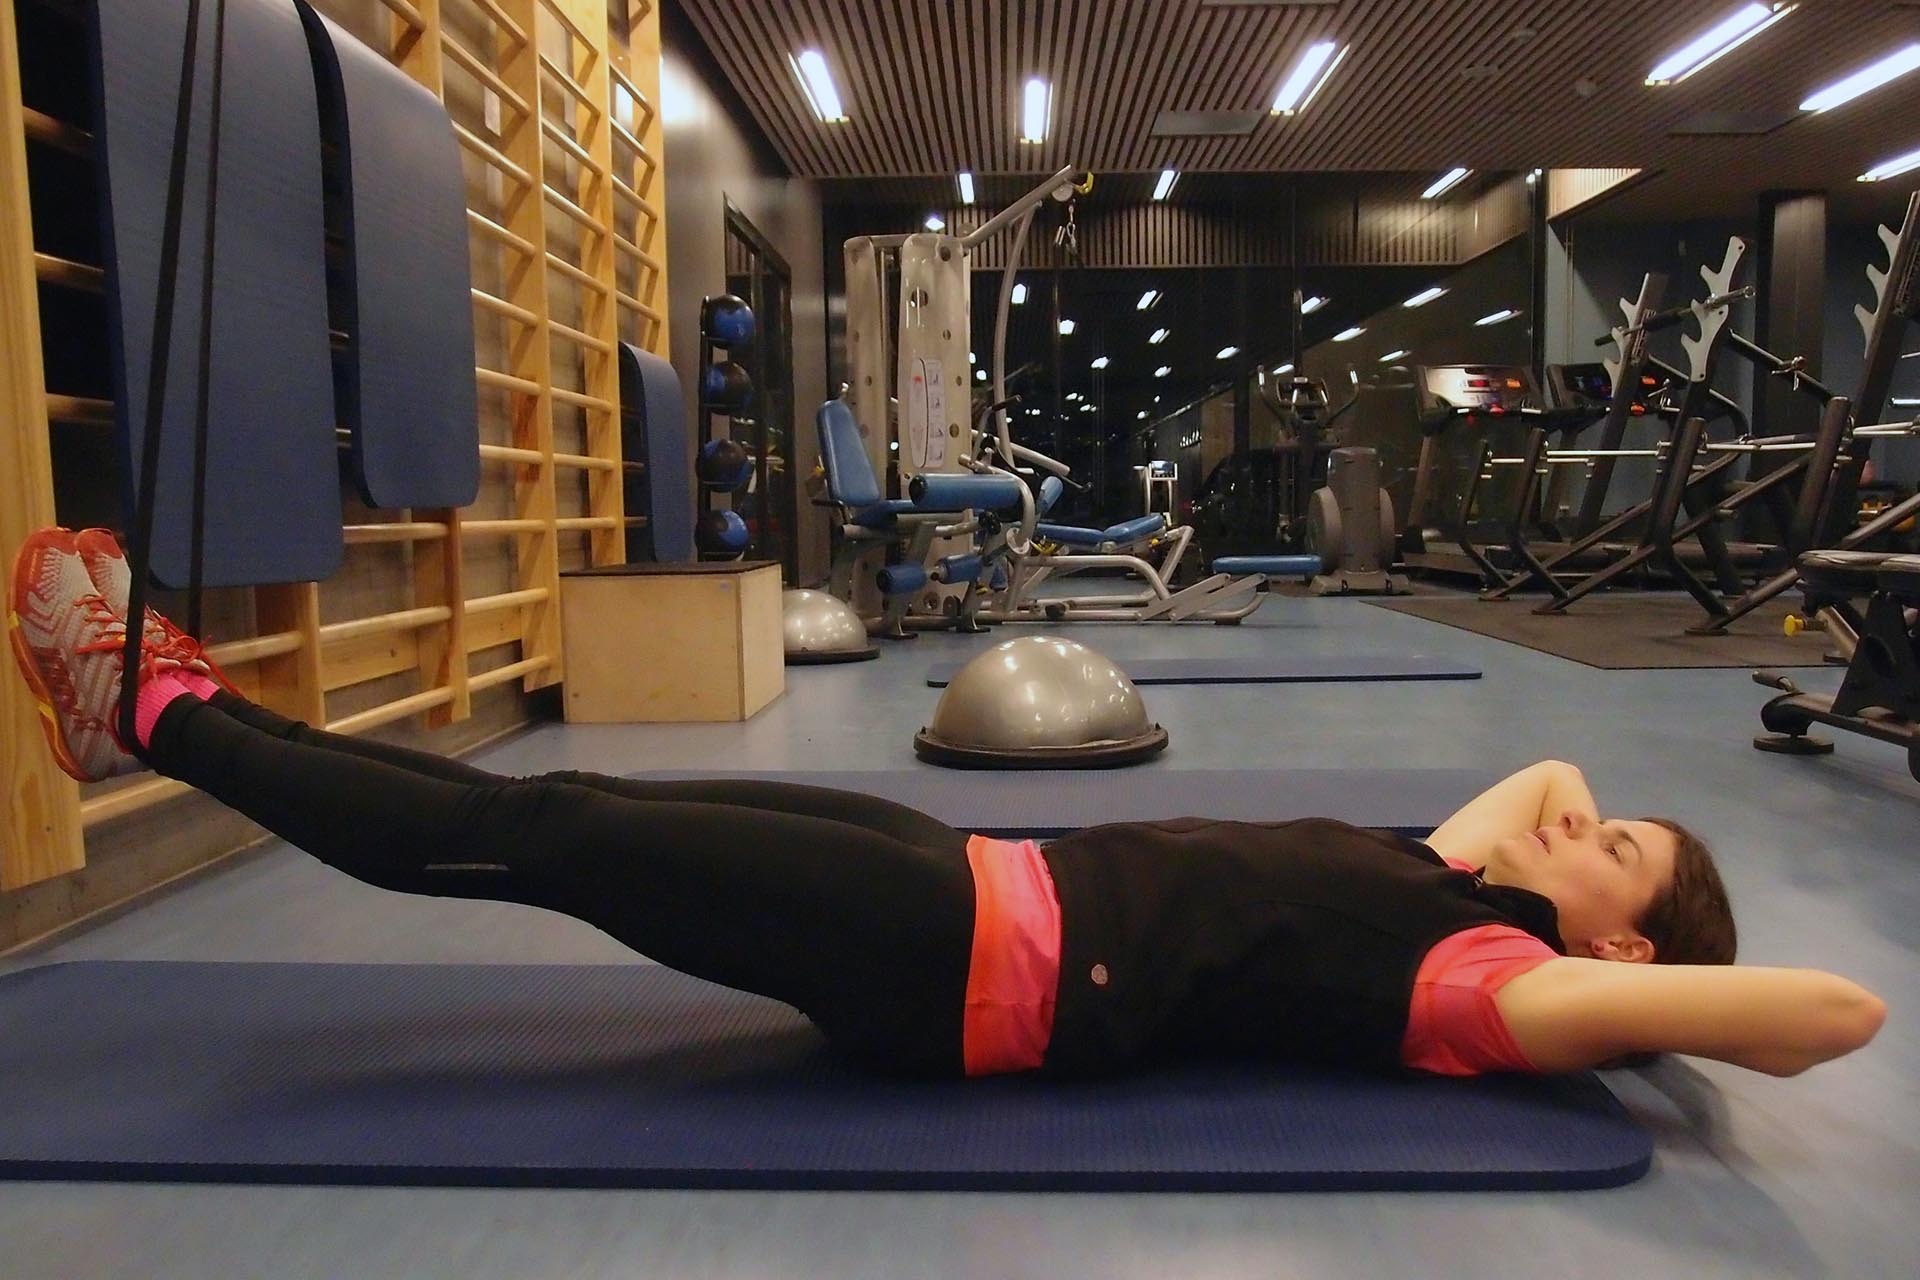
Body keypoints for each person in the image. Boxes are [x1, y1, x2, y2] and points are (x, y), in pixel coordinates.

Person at [10, 527, 1887, 1081]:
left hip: (962, 971)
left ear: (1622, 956)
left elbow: (1830, 1016)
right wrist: (1589, 850)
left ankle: (157, 715)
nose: (1576, 821)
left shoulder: (1503, 986)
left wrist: (1630, 979)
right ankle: (183, 703)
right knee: (573, 794)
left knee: (561, 846)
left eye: (1613, 854)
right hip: (971, 877)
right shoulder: (1472, 876)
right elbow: (1547, 774)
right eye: (1604, 825)